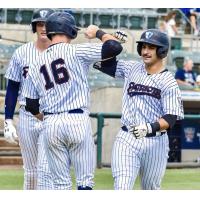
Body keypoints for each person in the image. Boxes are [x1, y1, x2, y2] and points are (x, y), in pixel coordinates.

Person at [22, 11, 122, 190]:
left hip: (51, 123)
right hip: (77, 120)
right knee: (84, 182)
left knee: (60, 184)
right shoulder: (77, 50)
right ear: (70, 30)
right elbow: (114, 47)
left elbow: (30, 104)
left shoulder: (36, 62)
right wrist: (98, 32)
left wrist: (46, 118)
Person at [94, 29, 184, 189]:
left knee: (150, 188)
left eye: (150, 47)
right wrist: (111, 43)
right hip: (127, 137)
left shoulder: (169, 82)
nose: (145, 51)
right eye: (143, 47)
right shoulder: (132, 68)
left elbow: (170, 118)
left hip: (156, 141)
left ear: (161, 50)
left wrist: (149, 128)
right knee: (121, 186)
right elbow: (106, 65)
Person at [4, 8, 54, 190]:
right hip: (27, 115)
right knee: (31, 171)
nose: (43, 28)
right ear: (34, 27)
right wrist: (8, 119)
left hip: (51, 116)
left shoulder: (62, 52)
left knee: (46, 169)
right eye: (40, 24)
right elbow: (12, 87)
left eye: (47, 24)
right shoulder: (22, 52)